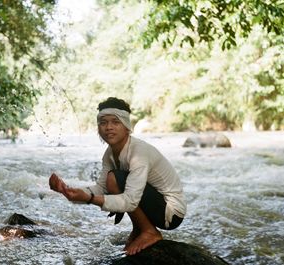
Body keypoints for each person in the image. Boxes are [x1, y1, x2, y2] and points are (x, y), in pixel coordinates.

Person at [49, 97, 186, 255]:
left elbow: (130, 200)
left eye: (115, 122)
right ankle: (140, 228)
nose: (108, 127)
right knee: (112, 180)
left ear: (126, 126)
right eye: (103, 122)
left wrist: (89, 199)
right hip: (155, 205)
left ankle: (149, 231)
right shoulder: (109, 154)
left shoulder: (139, 153)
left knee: (113, 179)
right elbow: (101, 188)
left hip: (171, 212)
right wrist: (67, 191)